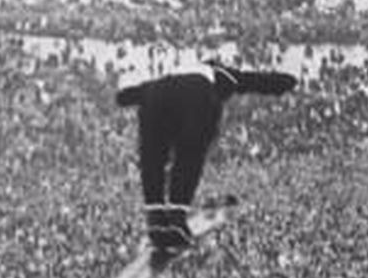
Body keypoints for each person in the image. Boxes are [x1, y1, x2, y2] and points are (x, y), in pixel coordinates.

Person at [114, 58, 298, 261]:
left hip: (154, 96)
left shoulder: (169, 72)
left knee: (153, 158)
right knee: (189, 155)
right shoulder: (214, 72)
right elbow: (249, 80)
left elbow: (131, 94)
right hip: (196, 95)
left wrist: (124, 97)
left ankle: (156, 216)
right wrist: (284, 82)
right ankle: (176, 217)